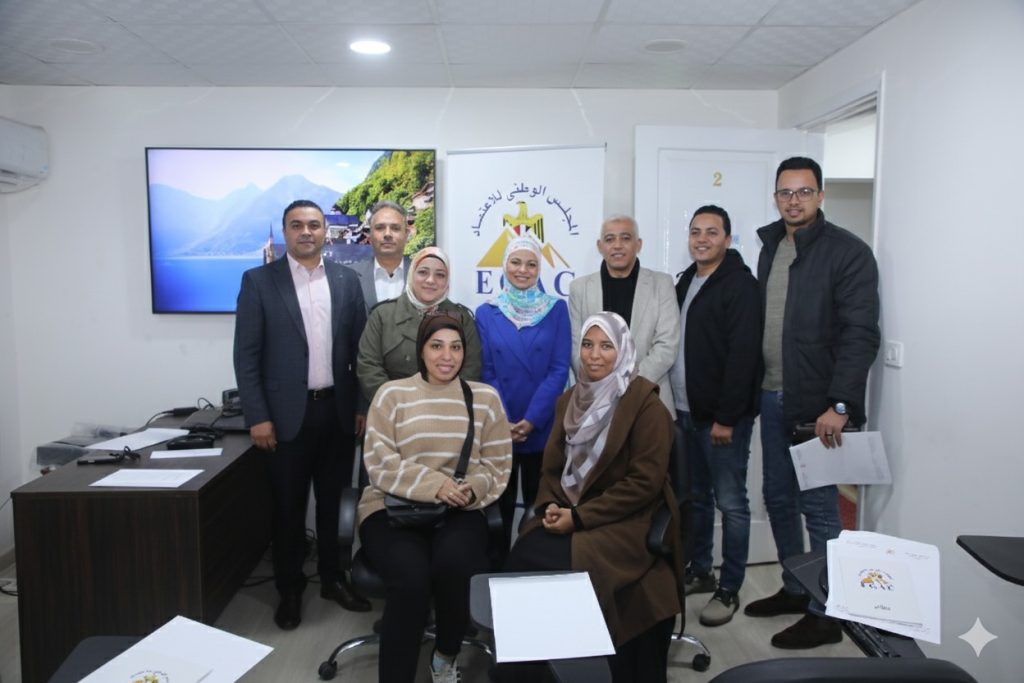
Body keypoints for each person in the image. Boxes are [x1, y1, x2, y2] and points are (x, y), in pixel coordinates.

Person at [505, 312, 684, 683]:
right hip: (571, 508)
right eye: (587, 344)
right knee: (523, 553)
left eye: (606, 346)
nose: (594, 355)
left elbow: (644, 483)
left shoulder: (647, 406)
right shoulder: (569, 400)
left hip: (627, 519)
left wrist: (579, 518)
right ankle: (529, 670)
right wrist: (551, 506)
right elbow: (552, 468)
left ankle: (577, 667)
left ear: (623, 351)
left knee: (554, 559)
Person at [745, 157, 880, 649]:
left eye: (804, 191)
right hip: (772, 396)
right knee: (778, 498)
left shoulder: (848, 252)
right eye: (786, 192)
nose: (794, 200)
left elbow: (860, 334)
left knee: (820, 510)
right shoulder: (771, 247)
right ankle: (796, 586)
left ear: (821, 196)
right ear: (775, 197)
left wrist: (840, 405)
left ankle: (827, 613)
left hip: (817, 408)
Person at [233, 199, 371, 631]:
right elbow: (246, 356)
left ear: (325, 231)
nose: (306, 232)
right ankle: (289, 590)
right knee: (288, 510)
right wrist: (257, 416)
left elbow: (361, 353)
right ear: (286, 231)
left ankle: (332, 579)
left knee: (333, 505)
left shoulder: (346, 281)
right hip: (283, 417)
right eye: (297, 225)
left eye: (314, 224)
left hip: (337, 413)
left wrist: (361, 407)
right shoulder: (258, 282)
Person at [359, 313, 511, 683]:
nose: (447, 356)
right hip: (392, 507)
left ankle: (444, 657)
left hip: (458, 508)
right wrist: (435, 485)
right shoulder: (392, 394)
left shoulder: (484, 399)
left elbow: (497, 464)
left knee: (455, 565)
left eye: (456, 347)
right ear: (422, 350)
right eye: (437, 346)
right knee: (410, 579)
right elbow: (380, 462)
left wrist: (471, 488)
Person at [670, 205, 761, 627]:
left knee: (732, 503)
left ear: (727, 238)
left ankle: (730, 587)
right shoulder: (687, 280)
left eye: (711, 232)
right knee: (697, 499)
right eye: (695, 232)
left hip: (722, 420)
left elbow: (743, 356)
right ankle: (702, 569)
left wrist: (726, 417)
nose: (702, 239)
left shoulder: (740, 285)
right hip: (686, 412)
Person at [476, 236, 571, 554]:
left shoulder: (556, 309)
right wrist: (504, 420)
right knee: (498, 509)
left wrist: (531, 420)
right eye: (516, 262)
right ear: (504, 265)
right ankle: (497, 568)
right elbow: (487, 370)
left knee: (539, 507)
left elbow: (558, 369)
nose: (523, 270)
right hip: (499, 426)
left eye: (531, 264)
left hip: (541, 426)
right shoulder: (486, 312)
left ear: (539, 269)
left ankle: (531, 565)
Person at [568, 215, 679, 413]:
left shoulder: (662, 284)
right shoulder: (580, 288)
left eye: (625, 238)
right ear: (600, 246)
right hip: (595, 403)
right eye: (610, 239)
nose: (617, 245)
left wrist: (626, 383)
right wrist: (600, 384)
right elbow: (577, 345)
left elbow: (667, 345)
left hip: (649, 398)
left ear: (638, 244)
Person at [357, 246, 482, 405]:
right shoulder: (382, 315)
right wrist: (398, 405)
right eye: (423, 272)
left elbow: (471, 370)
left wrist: (441, 405)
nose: (430, 280)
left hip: (447, 408)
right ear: (411, 274)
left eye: (440, 275)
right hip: (395, 409)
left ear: (447, 281)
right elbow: (369, 367)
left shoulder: (462, 318)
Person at [350, 200, 412, 310]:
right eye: (380, 228)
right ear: (369, 234)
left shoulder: (424, 275)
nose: (387, 234)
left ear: (406, 234)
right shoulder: (350, 276)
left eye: (395, 228)